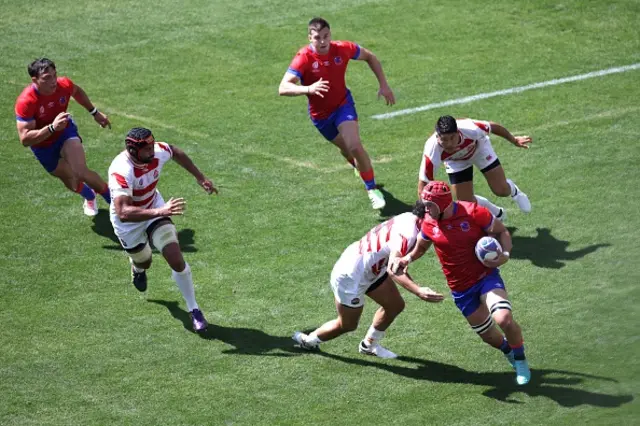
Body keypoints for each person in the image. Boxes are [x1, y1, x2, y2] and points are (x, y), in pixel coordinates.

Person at [388, 181, 531, 385]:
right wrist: (407, 259)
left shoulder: (473, 212)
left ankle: (520, 359)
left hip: (485, 277)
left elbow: (502, 231)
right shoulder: (429, 221)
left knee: (504, 319)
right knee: (489, 336)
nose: (425, 209)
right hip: (461, 288)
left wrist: (505, 255)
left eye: (430, 205)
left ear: (444, 204)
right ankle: (509, 351)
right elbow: (421, 246)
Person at [293, 203, 444, 358]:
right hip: (351, 276)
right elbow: (394, 269)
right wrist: (418, 291)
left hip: (370, 267)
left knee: (395, 305)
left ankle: (369, 345)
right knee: (347, 325)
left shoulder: (411, 218)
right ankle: (309, 341)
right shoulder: (408, 235)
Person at [108, 127, 218, 332]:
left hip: (154, 208)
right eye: (147, 149)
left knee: (176, 258)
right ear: (133, 151)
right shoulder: (121, 171)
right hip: (129, 223)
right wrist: (161, 210)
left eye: (152, 146)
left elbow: (175, 151)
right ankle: (138, 268)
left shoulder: (156, 151)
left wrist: (200, 177)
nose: (152, 151)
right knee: (145, 260)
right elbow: (123, 212)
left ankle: (194, 309)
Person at [279, 17, 396, 210]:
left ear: (330, 35)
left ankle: (372, 189)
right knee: (346, 149)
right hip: (320, 117)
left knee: (355, 145)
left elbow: (370, 57)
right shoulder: (303, 58)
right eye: (317, 38)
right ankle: (355, 165)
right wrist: (308, 89)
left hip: (343, 105)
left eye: (326, 36)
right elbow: (283, 87)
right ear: (310, 37)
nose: (323, 41)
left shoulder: (343, 48)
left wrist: (383, 85)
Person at [14, 58, 112, 216]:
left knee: (80, 171)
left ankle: (115, 205)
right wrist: (52, 128)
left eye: (54, 75)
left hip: (65, 132)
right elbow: (25, 139)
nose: (53, 81)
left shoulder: (63, 84)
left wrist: (94, 112)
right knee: (71, 181)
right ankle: (89, 196)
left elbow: (77, 92)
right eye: (47, 78)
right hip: (42, 145)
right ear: (35, 80)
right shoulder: (26, 101)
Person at [418, 115, 532, 220]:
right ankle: (497, 213)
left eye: (452, 138)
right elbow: (423, 183)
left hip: (480, 150)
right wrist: (423, 213)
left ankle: (513, 190)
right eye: (444, 140)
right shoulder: (431, 150)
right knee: (466, 203)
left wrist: (514, 140)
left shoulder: (471, 128)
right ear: (437, 136)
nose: (449, 144)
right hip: (456, 162)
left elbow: (493, 127)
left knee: (500, 190)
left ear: (458, 132)